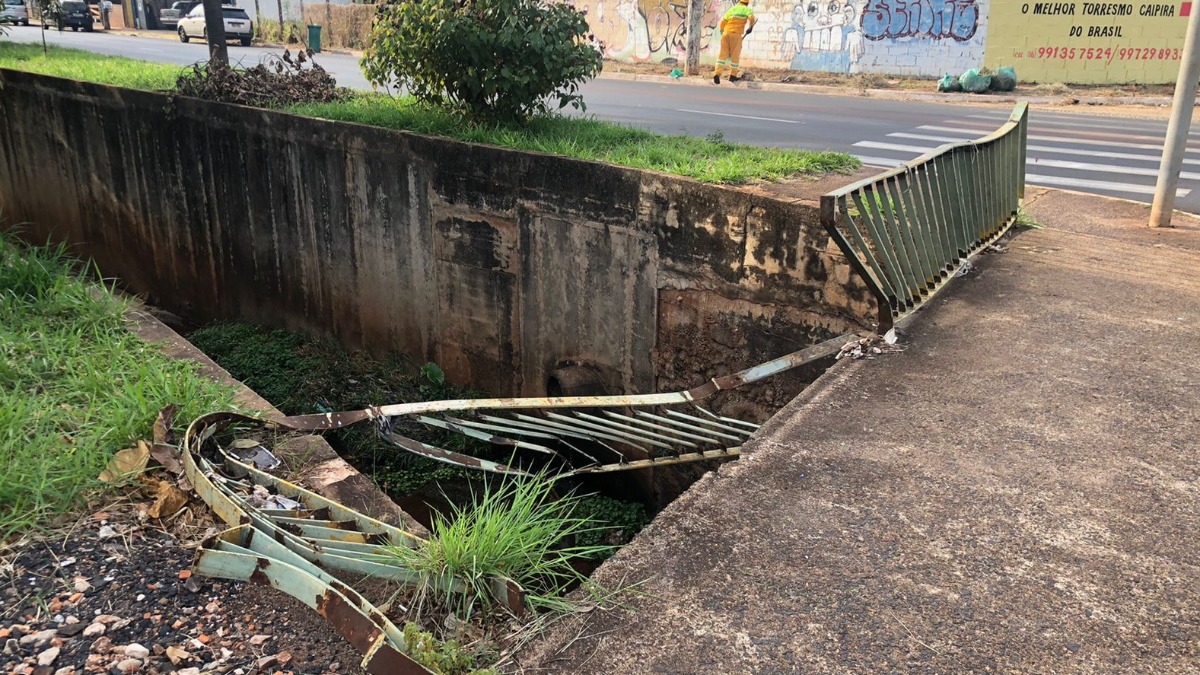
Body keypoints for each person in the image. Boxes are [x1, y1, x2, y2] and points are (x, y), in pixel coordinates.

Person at [713, 0, 756, 84]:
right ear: (747, 3)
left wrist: (723, 33)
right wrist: (751, 27)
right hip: (736, 35)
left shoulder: (732, 9)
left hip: (726, 33)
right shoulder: (746, 9)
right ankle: (732, 76)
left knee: (722, 55)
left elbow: (723, 22)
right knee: (735, 56)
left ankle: (717, 73)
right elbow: (752, 18)